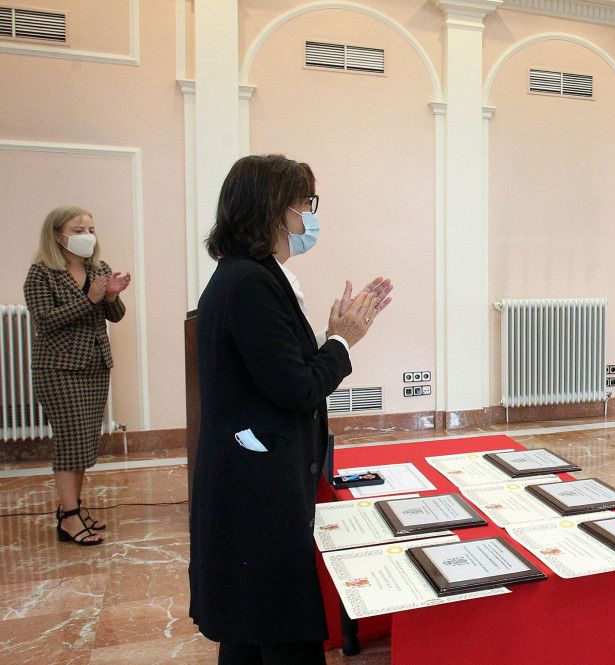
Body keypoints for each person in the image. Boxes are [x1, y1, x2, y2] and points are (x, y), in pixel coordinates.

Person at [188, 154, 393, 665]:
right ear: (273, 211)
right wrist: (342, 342)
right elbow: (296, 388)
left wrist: (328, 338)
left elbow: (275, 371)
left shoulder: (250, 277)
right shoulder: (251, 284)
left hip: (249, 480)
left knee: (250, 630)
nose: (309, 216)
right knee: (277, 629)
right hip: (257, 490)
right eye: (305, 204)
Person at [23, 206, 132, 547]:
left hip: (94, 366)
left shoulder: (96, 268)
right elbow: (46, 320)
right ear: (58, 235)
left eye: (91, 228)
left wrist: (111, 294)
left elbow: (114, 316)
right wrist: (90, 298)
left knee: (83, 443)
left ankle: (71, 510)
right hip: (58, 368)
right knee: (70, 442)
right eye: (79, 228)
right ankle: (70, 519)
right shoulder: (42, 273)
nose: (88, 235)